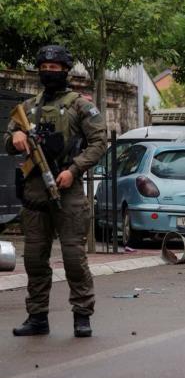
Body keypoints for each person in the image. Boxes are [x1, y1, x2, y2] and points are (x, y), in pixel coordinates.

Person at [4, 45, 107, 337]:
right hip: (35, 193)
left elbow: (99, 143)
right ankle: (37, 317)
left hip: (67, 189)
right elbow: (6, 141)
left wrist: (73, 170)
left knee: (74, 258)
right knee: (35, 259)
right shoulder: (27, 108)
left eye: (55, 68)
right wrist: (17, 135)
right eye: (44, 68)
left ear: (66, 70)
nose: (49, 72)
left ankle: (82, 316)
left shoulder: (80, 105)